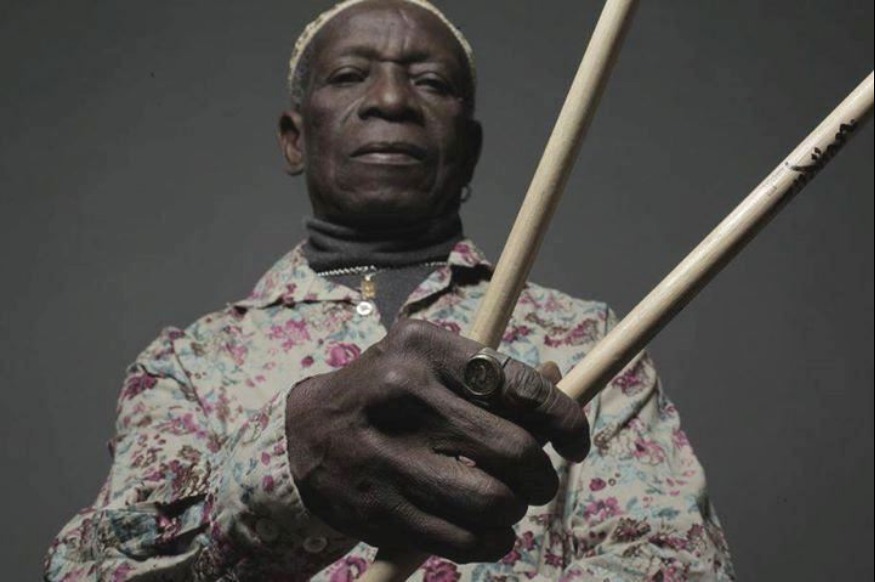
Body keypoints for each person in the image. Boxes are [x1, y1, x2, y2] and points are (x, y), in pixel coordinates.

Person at [44, 0, 734, 579]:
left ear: (469, 150)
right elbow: (92, 571)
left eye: (430, 82)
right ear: (294, 139)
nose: (391, 100)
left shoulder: (588, 340)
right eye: (349, 76)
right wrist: (289, 466)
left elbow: (679, 567)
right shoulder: (189, 365)